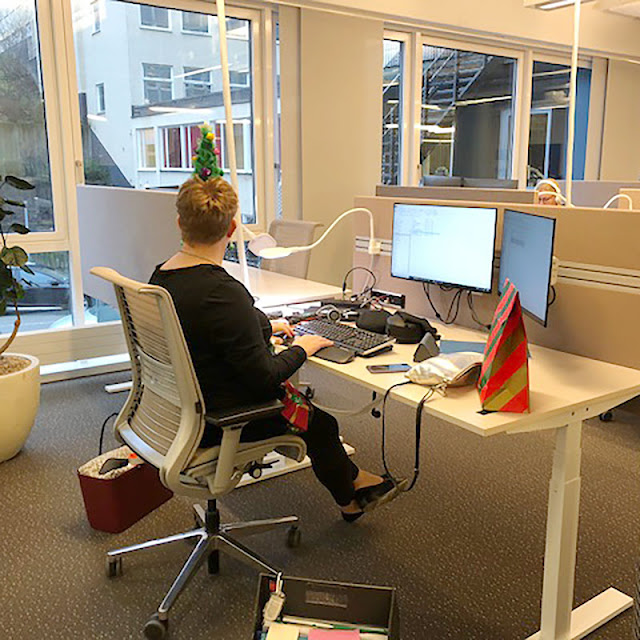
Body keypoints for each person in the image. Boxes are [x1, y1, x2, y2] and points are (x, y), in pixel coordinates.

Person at [150, 176, 402, 522]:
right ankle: (351, 500)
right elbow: (265, 378)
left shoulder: (162, 277)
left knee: (317, 420)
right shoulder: (224, 292)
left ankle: (356, 482)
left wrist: (264, 325)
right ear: (232, 229)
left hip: (184, 405)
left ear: (180, 223)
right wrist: (302, 348)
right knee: (321, 424)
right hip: (226, 417)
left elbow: (207, 321)